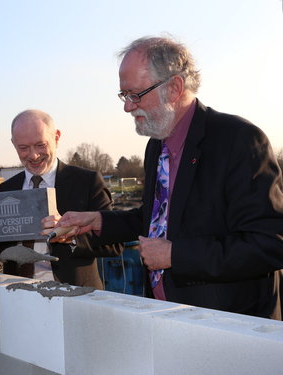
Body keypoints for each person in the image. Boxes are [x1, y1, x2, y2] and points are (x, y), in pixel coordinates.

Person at [50, 36, 283, 319]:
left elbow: (270, 242)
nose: (127, 106)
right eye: (124, 96)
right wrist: (98, 221)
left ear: (174, 87)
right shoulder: (157, 144)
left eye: (135, 94)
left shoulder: (238, 140)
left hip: (228, 324)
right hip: (167, 315)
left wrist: (176, 256)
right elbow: (158, 219)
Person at [0, 109, 121, 288]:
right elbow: (0, 251)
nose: (33, 155)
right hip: (20, 294)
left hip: (74, 295)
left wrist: (69, 237)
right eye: (23, 148)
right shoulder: (7, 188)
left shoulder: (87, 182)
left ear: (56, 137)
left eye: (40, 145)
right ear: (13, 144)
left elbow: (113, 245)